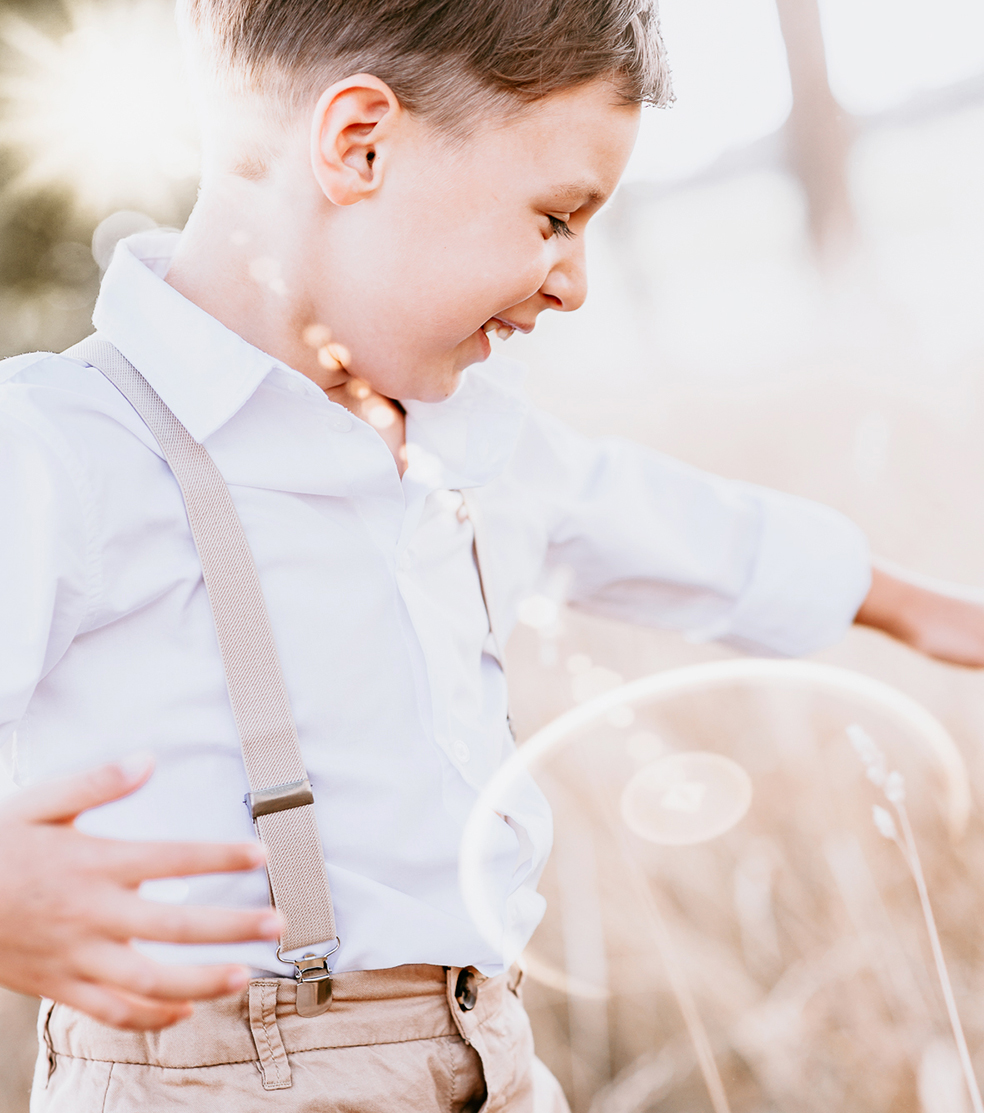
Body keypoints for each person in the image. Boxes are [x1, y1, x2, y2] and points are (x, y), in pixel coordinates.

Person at [1, 0, 983, 1108]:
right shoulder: (58, 450)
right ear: (359, 145)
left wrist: (923, 608)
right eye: (557, 218)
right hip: (212, 1079)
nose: (573, 282)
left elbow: (678, 527)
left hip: (489, 1054)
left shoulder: (470, 441)